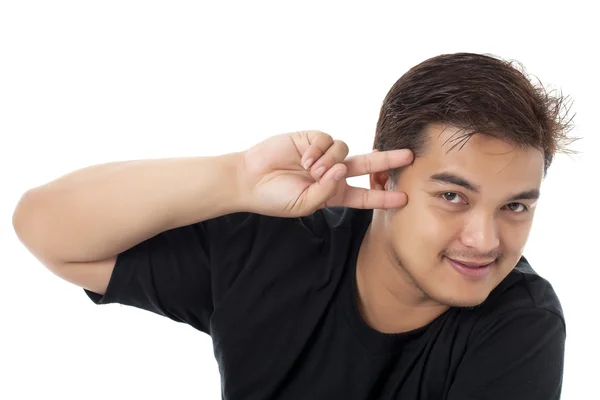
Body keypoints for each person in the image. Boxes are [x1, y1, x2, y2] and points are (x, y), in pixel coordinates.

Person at [13, 52, 576, 399]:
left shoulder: (519, 325)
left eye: (516, 207)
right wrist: (233, 179)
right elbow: (46, 229)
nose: (484, 240)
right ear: (384, 183)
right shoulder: (274, 249)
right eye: (453, 196)